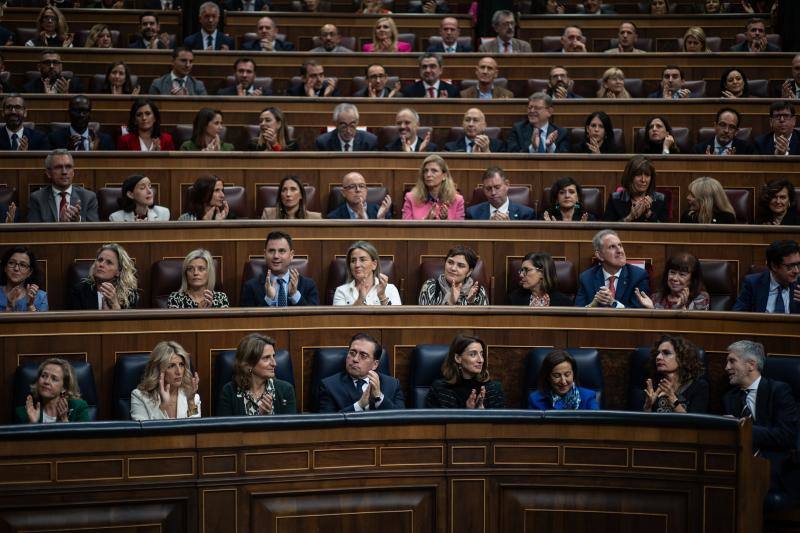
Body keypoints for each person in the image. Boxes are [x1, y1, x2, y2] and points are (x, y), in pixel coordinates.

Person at [723, 340, 799, 499]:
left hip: (774, 468)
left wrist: (742, 427)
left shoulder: (778, 391)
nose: (727, 367)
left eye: (732, 361)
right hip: (737, 465)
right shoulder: (730, 398)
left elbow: (786, 436)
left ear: (751, 364)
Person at [318, 333, 405, 412]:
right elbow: (326, 424)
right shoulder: (329, 386)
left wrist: (379, 398)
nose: (355, 359)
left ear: (375, 364)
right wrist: (359, 405)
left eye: (363, 356)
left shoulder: (392, 385)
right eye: (352, 353)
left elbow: (402, 420)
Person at [217, 333, 297, 416]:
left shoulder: (286, 390)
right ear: (249, 363)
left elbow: (289, 427)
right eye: (266, 358)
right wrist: (260, 418)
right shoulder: (229, 392)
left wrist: (268, 417)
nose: (274, 363)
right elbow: (225, 427)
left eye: (273, 356)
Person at [240, 231, 320, 307]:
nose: (276, 256)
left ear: (291, 255)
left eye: (281, 251)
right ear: (265, 254)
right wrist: (268, 300)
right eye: (271, 251)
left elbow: (313, 318)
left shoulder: (309, 285)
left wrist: (294, 295)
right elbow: (247, 320)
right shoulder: (250, 287)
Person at [575, 229, 651, 308]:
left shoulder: (638, 276)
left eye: (620, 245)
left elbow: (639, 313)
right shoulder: (586, 278)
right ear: (600, 255)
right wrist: (592, 306)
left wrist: (613, 303)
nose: (619, 251)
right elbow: (577, 313)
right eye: (612, 247)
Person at [425, 335, 504, 408]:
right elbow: (434, 422)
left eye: (481, 354)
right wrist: (467, 413)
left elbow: (501, 422)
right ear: (458, 358)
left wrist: (482, 415)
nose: (481, 360)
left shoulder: (493, 389)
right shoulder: (440, 389)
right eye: (473, 354)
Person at [131, 341, 201, 420]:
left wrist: (191, 401)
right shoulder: (140, 397)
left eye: (181, 365)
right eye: (171, 366)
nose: (179, 371)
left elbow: (195, 429)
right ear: (158, 370)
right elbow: (146, 431)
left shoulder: (190, 395)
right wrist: (163, 406)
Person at [639, 335, 709, 413]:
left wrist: (673, 399)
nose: (658, 357)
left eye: (666, 353)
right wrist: (648, 407)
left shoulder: (699, 386)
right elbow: (644, 423)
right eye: (657, 353)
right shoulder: (652, 386)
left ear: (681, 358)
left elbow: (694, 423)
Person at [28, 150, 99, 223]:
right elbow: (34, 233)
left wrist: (78, 221)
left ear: (73, 172)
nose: (64, 172)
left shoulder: (88, 197)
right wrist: (59, 223)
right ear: (48, 173)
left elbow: (95, 232)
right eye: (58, 167)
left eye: (68, 167)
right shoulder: (37, 199)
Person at [734, 240, 799, 313]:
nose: (797, 271)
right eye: (790, 266)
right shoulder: (753, 284)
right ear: (774, 266)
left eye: (798, 265)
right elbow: (738, 316)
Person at [15, 358, 88, 423]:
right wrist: (32, 424)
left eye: (54, 379)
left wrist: (64, 421)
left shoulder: (78, 408)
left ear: (64, 387)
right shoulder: (23, 412)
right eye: (43, 376)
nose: (46, 381)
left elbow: (84, 437)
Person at [68, 243, 139, 310]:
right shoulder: (79, 291)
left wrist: (115, 304)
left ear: (118, 272)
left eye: (109, 262)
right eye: (100, 260)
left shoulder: (130, 295)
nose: (101, 265)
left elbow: (129, 322)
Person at [603, 156, 669, 223]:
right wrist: (630, 217)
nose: (643, 180)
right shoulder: (615, 199)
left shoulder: (660, 199)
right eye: (638, 175)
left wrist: (649, 214)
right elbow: (607, 230)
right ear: (630, 177)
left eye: (647, 175)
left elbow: (667, 231)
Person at [333, 241, 401, 306]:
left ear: (374, 264)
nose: (357, 265)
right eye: (353, 261)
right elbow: (340, 318)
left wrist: (382, 296)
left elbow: (396, 318)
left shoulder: (390, 289)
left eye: (362, 260)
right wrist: (360, 299)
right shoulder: (341, 291)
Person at [636, 252, 710, 310]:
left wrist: (682, 309)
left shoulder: (701, 298)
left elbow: (696, 326)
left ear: (692, 279)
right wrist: (651, 309)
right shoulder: (656, 298)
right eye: (672, 272)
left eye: (682, 274)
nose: (674, 278)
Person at [527, 350, 598, 410]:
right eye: (557, 376)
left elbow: (597, 425)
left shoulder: (588, 397)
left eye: (567, 375)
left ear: (573, 374)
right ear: (548, 377)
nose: (563, 382)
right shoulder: (535, 399)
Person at [418, 245, 488, 305]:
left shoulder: (478, 291)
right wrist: (450, 302)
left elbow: (485, 320)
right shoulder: (431, 286)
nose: (453, 268)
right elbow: (426, 319)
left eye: (460, 265)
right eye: (450, 262)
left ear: (469, 272)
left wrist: (471, 303)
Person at [402, 154, 465, 220]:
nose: (428, 175)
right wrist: (426, 221)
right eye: (425, 171)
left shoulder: (457, 200)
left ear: (444, 176)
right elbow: (406, 229)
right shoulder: (411, 198)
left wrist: (446, 221)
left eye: (434, 171)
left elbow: (459, 229)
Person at [48, 95, 115, 151]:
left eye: (85, 111)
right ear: (69, 113)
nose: (81, 115)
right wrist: (68, 151)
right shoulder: (54, 138)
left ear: (90, 114)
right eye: (77, 111)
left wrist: (94, 154)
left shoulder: (105, 140)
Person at [466, 166, 535, 221]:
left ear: (507, 185)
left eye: (497, 187)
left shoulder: (526, 214)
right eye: (488, 188)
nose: (493, 193)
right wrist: (487, 228)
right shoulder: (472, 213)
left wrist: (511, 228)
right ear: (483, 189)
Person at [1, 246, 48, 312]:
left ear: (29, 272)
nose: (16, 269)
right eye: (11, 263)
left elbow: (41, 322)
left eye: (22, 265)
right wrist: (9, 306)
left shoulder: (40, 297)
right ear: (5, 268)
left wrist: (30, 305)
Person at [326, 172, 392, 219]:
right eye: (352, 186)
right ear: (344, 193)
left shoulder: (381, 211)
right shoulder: (334, 217)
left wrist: (380, 219)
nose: (358, 190)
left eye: (361, 186)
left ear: (366, 190)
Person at [691, 108, 755, 155]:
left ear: (736, 131)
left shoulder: (747, 150)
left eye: (731, 127)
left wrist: (734, 164)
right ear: (715, 126)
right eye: (722, 125)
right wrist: (708, 164)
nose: (726, 130)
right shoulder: (699, 150)